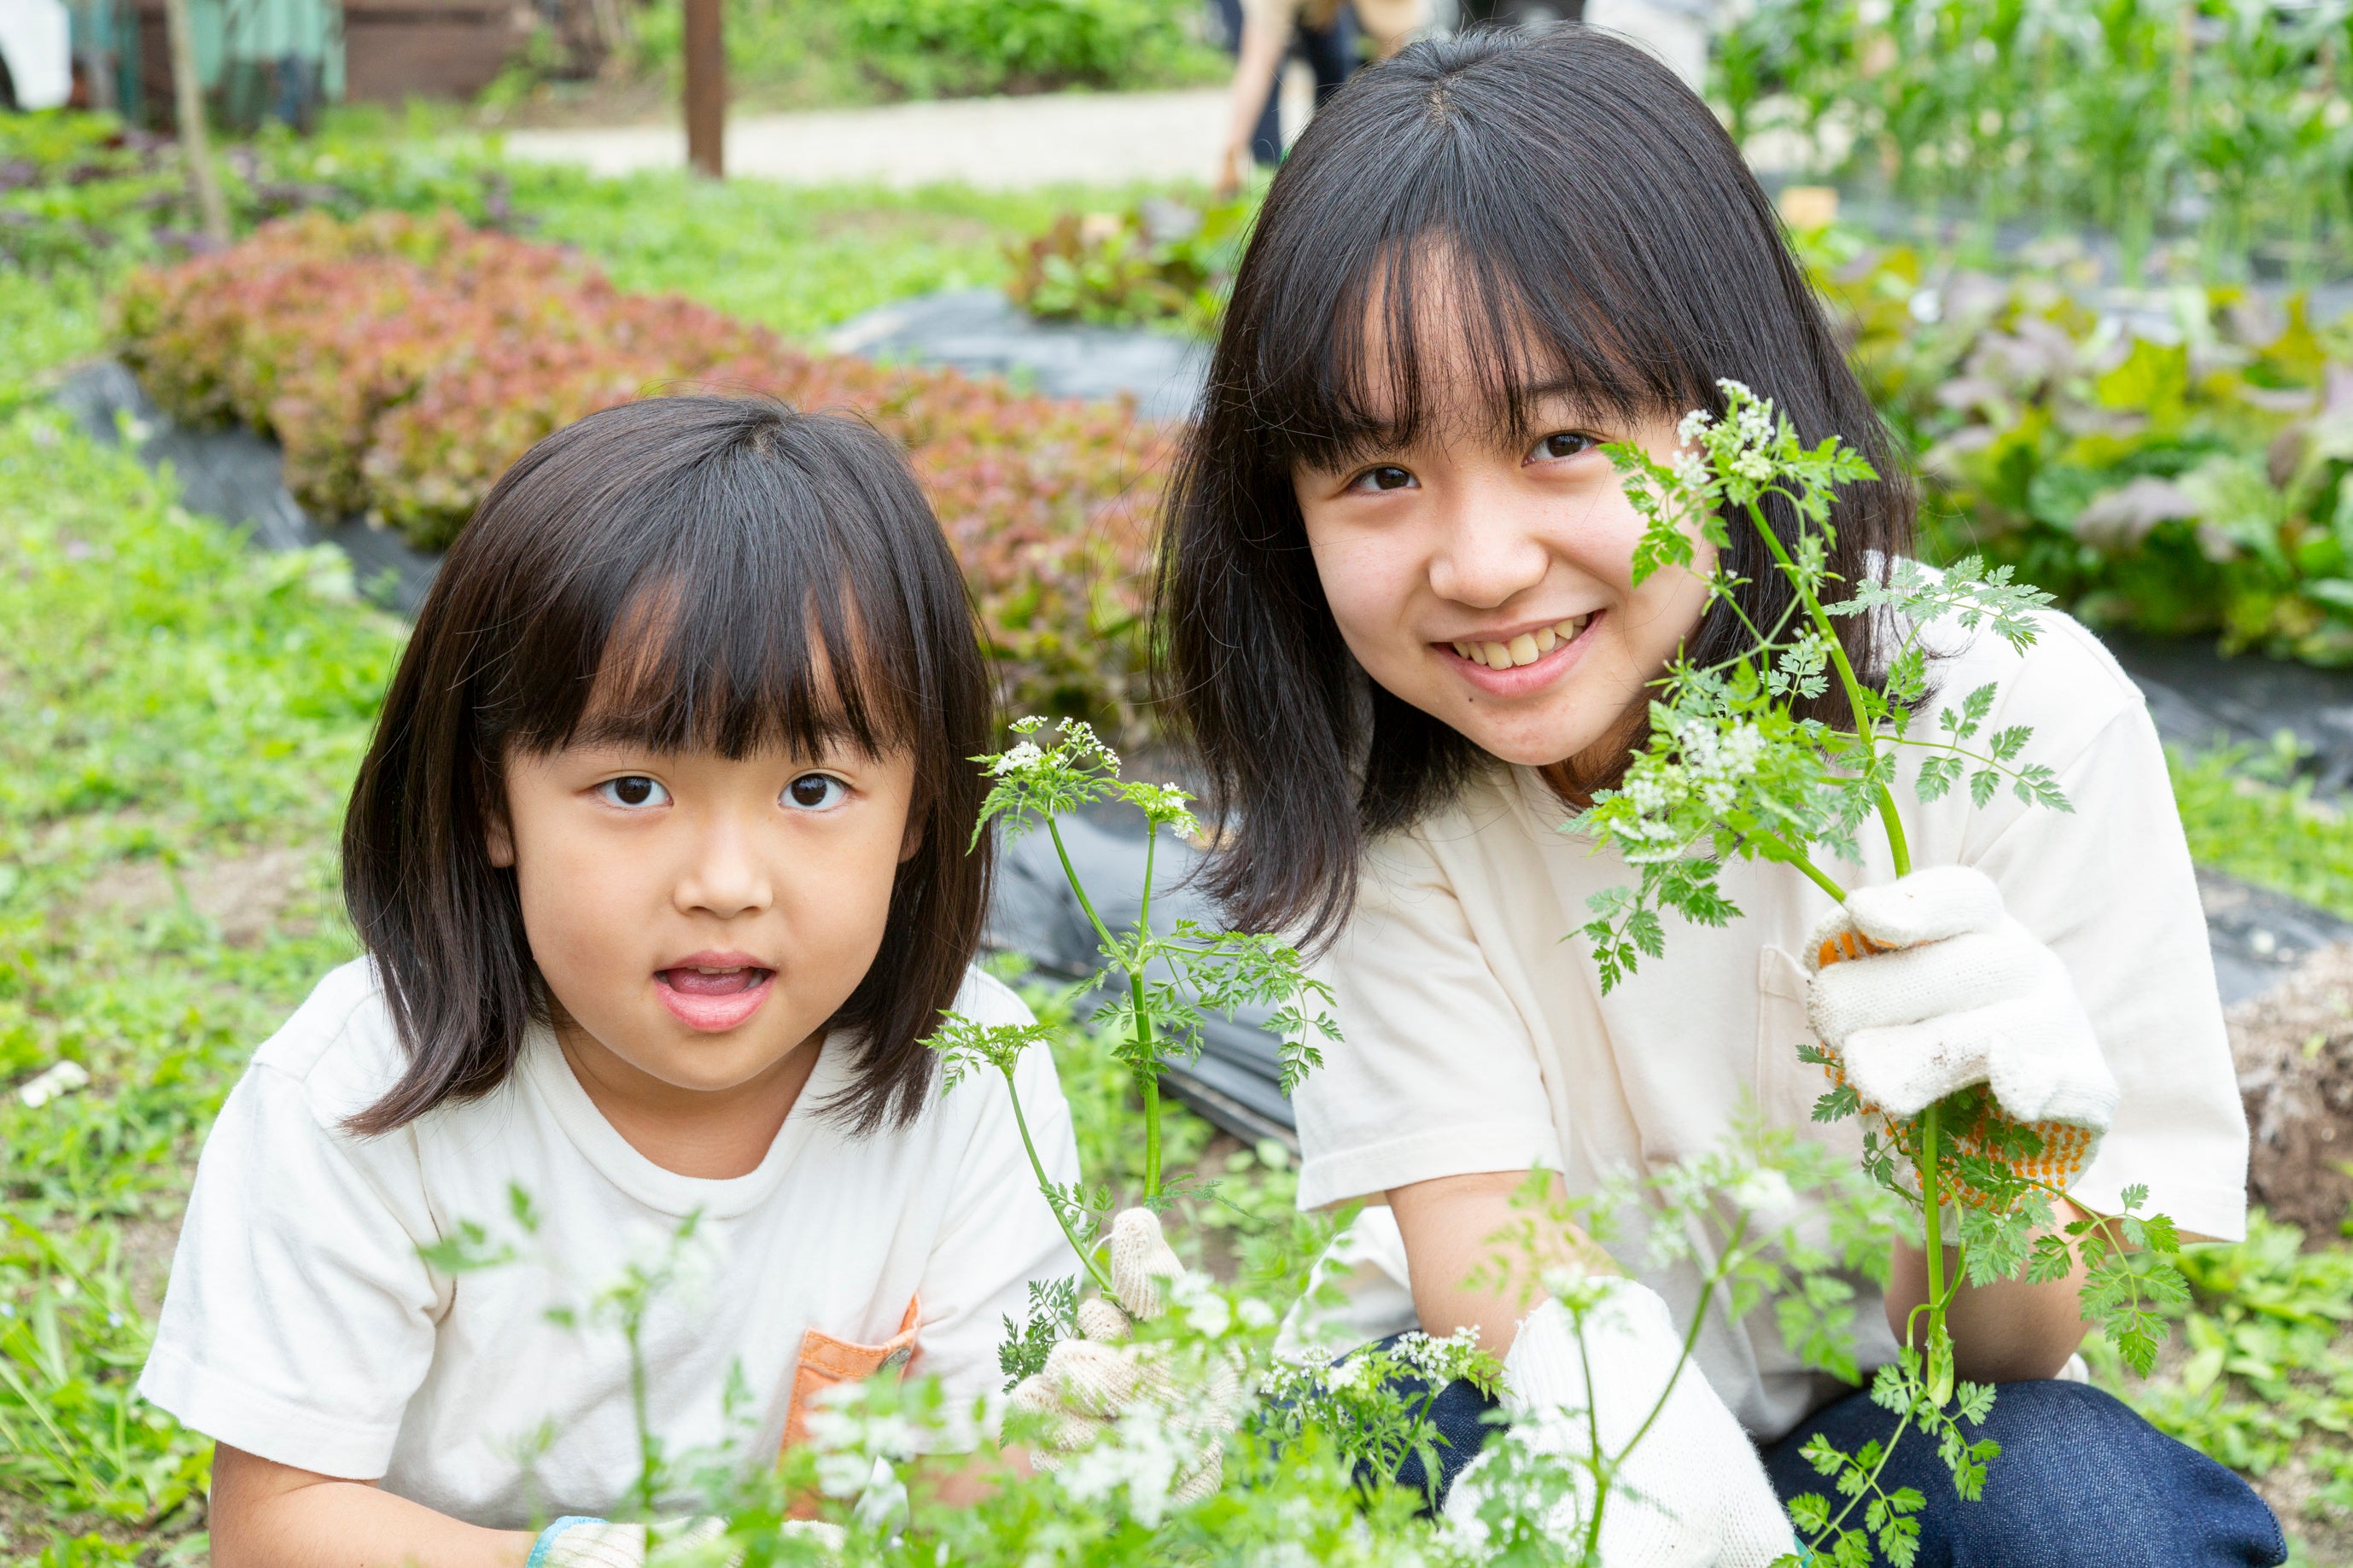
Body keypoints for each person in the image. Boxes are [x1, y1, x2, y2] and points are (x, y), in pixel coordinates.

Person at [1158, 28, 2285, 1566]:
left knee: (2072, 1501)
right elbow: (1500, 1272)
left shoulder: (2013, 717)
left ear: (1733, 416)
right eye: (1377, 474)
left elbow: (2006, 1356)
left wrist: (1992, 1176)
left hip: (1891, 1397)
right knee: (1353, 1471)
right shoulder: (1370, 799)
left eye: (1562, 439)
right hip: (1530, 1392)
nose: (1479, 565)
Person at [139, 397, 1083, 1567]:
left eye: (812, 789)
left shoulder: (973, 1074)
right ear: (495, 802)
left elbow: (990, 1495)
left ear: (918, 812)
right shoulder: (357, 1094)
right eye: (635, 788)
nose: (726, 883)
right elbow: (277, 1529)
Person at [1215, 0, 1427, 195]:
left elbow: (1390, 55)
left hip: (1323, 10)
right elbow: (1259, 63)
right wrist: (1231, 155)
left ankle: (1328, 159)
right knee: (1271, 79)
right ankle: (1267, 177)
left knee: (1335, 66)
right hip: (1257, 10)